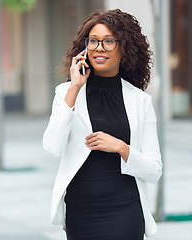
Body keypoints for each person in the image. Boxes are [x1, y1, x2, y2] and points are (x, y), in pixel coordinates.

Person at [43, 9, 162, 240]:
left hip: (125, 211)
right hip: (81, 212)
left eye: (108, 41)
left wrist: (121, 147)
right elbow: (51, 146)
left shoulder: (140, 101)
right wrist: (74, 87)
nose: (99, 48)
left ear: (125, 48)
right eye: (94, 41)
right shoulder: (66, 93)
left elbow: (155, 170)